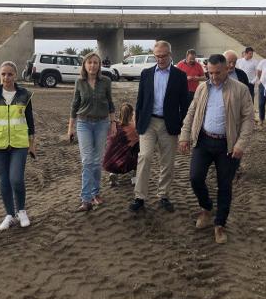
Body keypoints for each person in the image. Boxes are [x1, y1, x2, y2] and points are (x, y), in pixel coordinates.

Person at [179, 54, 254, 244]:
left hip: (227, 146)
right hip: (203, 141)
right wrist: (184, 135)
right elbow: (192, 111)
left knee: (224, 185)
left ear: (227, 69)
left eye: (217, 73)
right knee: (195, 178)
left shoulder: (240, 89)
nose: (213, 77)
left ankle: (220, 224)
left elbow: (248, 119)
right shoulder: (203, 88)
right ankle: (206, 207)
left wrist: (240, 144)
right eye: (210, 73)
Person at [129, 40, 188, 213]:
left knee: (167, 162)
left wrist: (184, 128)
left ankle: (164, 195)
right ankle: (139, 197)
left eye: (163, 56)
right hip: (148, 122)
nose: (160, 59)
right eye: (157, 56)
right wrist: (138, 124)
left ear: (170, 55)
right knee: (145, 157)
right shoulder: (146, 74)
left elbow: (184, 104)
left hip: (169, 124)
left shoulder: (179, 76)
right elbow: (140, 101)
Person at [0, 61, 36, 230]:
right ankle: (10, 215)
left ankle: (22, 211)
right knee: (4, 181)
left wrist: (32, 143)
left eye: (10, 74)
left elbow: (30, 121)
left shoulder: (24, 95)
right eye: (3, 74)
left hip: (19, 142)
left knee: (16, 179)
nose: (6, 77)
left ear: (15, 76)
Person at [68, 52, 116, 212]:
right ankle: (86, 199)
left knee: (96, 162)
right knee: (88, 160)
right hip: (84, 124)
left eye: (95, 63)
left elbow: (110, 103)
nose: (92, 65)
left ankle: (96, 193)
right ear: (84, 65)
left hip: (102, 124)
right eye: (89, 62)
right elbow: (75, 105)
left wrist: (113, 124)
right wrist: (70, 127)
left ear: (99, 65)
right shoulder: (79, 82)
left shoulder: (106, 81)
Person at [103, 103, 139, 187]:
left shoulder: (113, 126)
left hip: (110, 160)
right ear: (131, 114)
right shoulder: (132, 127)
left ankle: (113, 173)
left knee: (114, 146)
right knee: (138, 147)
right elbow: (139, 138)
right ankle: (134, 177)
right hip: (125, 161)